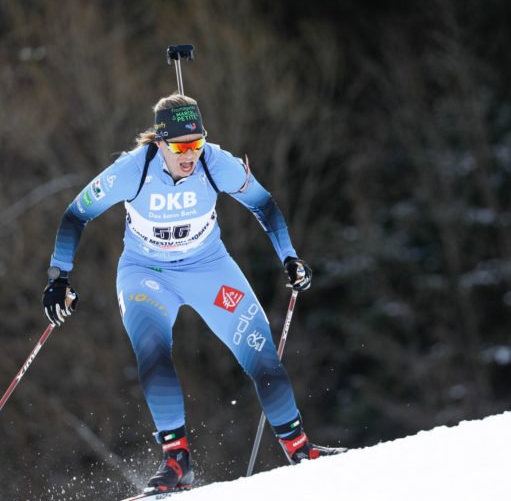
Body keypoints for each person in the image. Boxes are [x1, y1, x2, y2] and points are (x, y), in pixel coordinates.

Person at [41, 94, 341, 494]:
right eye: (181, 146)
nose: (190, 155)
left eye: (197, 143)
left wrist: (289, 257)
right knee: (152, 350)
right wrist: (59, 278)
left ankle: (300, 449)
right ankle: (177, 462)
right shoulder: (134, 169)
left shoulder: (217, 163)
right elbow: (76, 214)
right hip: (147, 274)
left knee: (261, 352)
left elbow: (264, 205)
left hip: (208, 268)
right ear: (160, 142)